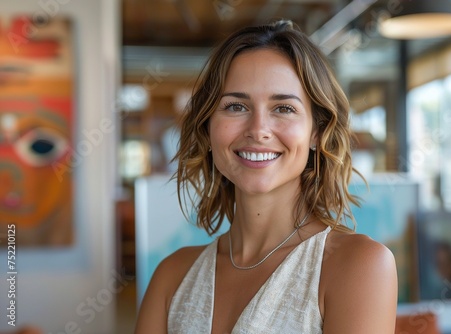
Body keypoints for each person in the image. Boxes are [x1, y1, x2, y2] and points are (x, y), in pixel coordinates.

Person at [134, 20, 397, 333]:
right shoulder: (171, 276)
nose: (258, 130)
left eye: (283, 108)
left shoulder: (358, 266)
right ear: (208, 128)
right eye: (235, 106)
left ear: (316, 131)